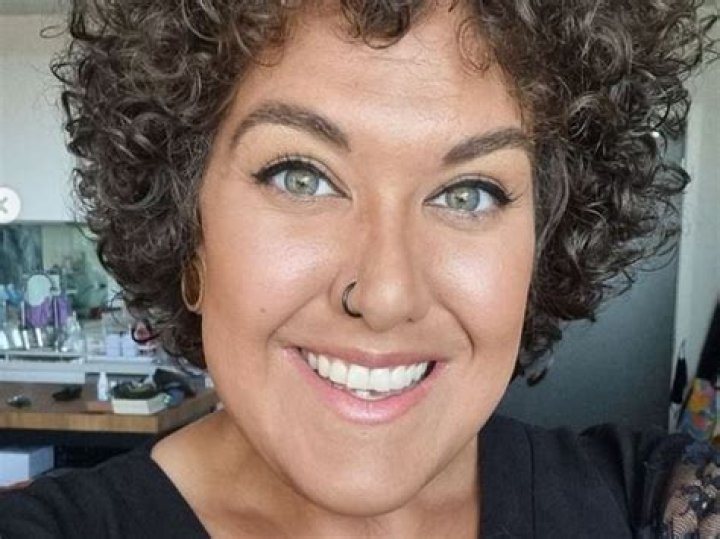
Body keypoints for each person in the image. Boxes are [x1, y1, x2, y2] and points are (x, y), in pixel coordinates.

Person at [0, 0, 717, 537]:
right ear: (189, 238)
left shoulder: (653, 504)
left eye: (468, 193)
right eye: (302, 177)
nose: (386, 293)